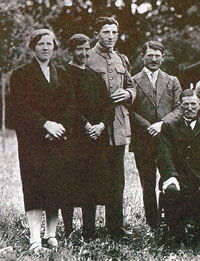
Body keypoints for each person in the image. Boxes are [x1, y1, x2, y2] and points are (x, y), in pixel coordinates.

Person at [9, 29, 76, 250]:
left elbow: (71, 104)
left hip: (58, 138)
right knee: (34, 187)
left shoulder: (63, 73)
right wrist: (44, 125)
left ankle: (51, 235)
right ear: (33, 46)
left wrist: (59, 126)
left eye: (49, 44)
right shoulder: (21, 73)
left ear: (54, 47)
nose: (45, 48)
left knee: (55, 186)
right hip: (32, 141)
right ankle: (35, 238)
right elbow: (20, 106)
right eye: (41, 44)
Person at [61, 34, 114, 239]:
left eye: (86, 49)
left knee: (91, 184)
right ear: (71, 51)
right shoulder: (64, 73)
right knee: (70, 183)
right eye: (78, 49)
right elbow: (67, 104)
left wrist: (100, 125)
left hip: (95, 139)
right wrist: (85, 125)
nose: (83, 54)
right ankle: (67, 230)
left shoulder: (94, 75)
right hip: (73, 138)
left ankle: (89, 231)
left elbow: (108, 105)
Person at [86, 16, 136, 238]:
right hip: (95, 127)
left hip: (118, 127)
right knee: (92, 175)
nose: (111, 36)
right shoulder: (87, 57)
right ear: (97, 34)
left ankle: (115, 227)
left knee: (117, 179)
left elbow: (132, 86)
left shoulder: (121, 59)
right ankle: (89, 228)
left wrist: (128, 94)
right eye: (106, 32)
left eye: (114, 32)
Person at [129, 41, 182, 229]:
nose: (154, 59)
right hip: (143, 140)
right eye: (150, 55)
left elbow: (179, 108)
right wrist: (147, 126)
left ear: (163, 58)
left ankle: (169, 219)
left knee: (169, 178)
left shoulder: (172, 80)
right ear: (142, 56)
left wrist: (162, 124)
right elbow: (129, 109)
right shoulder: (132, 81)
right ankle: (153, 223)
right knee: (148, 183)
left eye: (157, 56)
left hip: (167, 138)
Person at [158, 89, 200, 246]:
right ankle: (176, 235)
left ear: (199, 105)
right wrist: (171, 177)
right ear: (180, 106)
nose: (190, 108)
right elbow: (165, 156)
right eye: (186, 105)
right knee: (171, 190)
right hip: (178, 176)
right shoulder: (168, 127)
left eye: (193, 104)